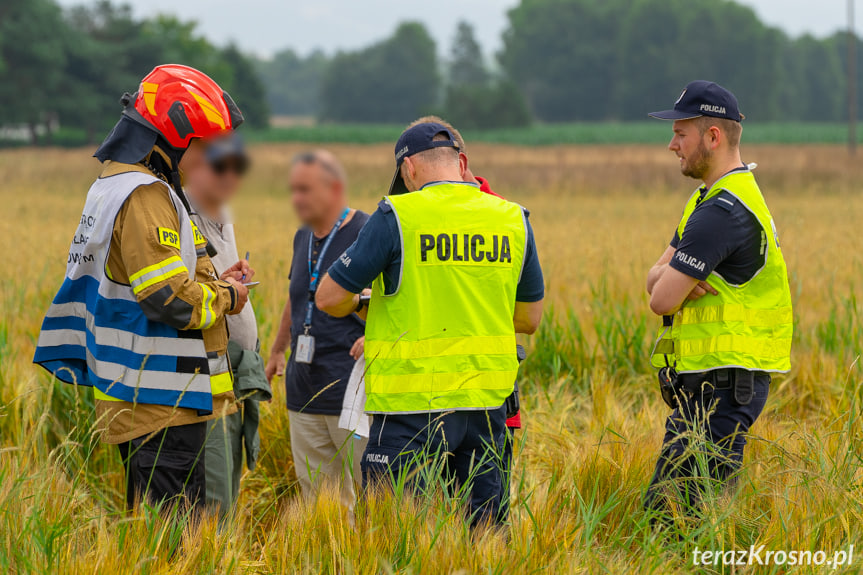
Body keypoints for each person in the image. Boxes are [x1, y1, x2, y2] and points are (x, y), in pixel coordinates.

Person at [33, 64, 253, 511]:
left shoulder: (114, 185)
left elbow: (169, 275)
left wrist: (212, 281)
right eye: (204, 147)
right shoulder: (145, 195)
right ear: (173, 141)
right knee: (173, 540)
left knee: (154, 535)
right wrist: (228, 297)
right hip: (162, 402)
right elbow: (167, 298)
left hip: (140, 395)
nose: (206, 161)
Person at [315, 121, 545, 528]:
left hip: (409, 410)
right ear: (462, 163)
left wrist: (368, 305)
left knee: (398, 539)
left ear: (408, 170)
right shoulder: (513, 218)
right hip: (486, 407)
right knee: (484, 540)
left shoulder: (396, 216)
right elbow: (529, 318)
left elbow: (329, 297)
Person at [644, 81, 793, 517]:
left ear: (713, 137)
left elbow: (661, 300)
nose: (672, 144)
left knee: (679, 514)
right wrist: (668, 278)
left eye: (680, 133)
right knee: (673, 512)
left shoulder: (722, 212)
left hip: (726, 385)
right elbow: (655, 279)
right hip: (709, 385)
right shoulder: (707, 200)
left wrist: (671, 281)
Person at [405, 115, 524, 523]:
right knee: (483, 526)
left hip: (455, 398)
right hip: (483, 395)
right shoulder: (507, 215)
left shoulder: (498, 214)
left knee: (427, 524)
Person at [264, 150, 369, 508]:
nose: (297, 199)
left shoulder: (367, 232)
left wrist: (375, 337)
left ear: (335, 188)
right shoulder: (302, 237)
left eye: (306, 190)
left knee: (368, 500)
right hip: (303, 392)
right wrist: (278, 350)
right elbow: (296, 298)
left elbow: (397, 299)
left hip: (352, 394)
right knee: (319, 507)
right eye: (294, 190)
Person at [184, 134, 272, 519]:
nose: (230, 180)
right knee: (213, 492)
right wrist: (226, 290)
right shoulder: (182, 212)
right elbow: (180, 295)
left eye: (237, 171)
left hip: (235, 371)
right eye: (221, 170)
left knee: (229, 480)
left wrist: (232, 277)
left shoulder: (223, 212)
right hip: (207, 375)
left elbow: (211, 281)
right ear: (196, 167)